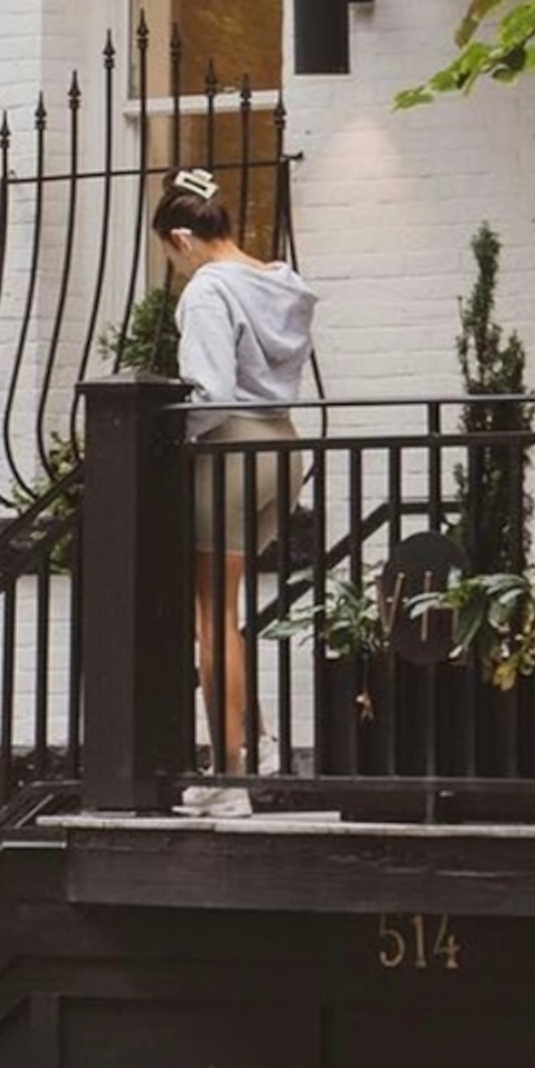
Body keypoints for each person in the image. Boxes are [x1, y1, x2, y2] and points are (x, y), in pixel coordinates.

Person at [150, 168, 316, 812]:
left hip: (231, 449)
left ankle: (227, 778)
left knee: (213, 615)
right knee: (232, 610)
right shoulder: (282, 282)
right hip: (283, 444)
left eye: (170, 254)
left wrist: (172, 442)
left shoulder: (209, 290)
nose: (176, 268)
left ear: (184, 237)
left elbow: (210, 391)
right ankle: (259, 740)